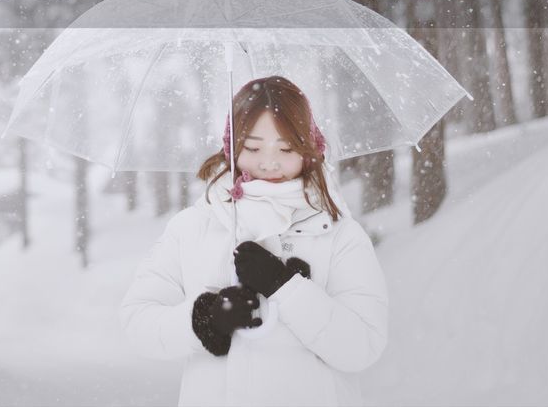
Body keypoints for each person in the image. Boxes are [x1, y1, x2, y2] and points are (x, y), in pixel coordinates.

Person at [120, 75, 389, 407]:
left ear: (308, 148)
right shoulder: (193, 227)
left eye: (286, 147)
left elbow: (363, 345)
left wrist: (285, 287)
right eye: (254, 147)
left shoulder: (339, 235)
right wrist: (206, 319)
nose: (270, 162)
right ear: (233, 148)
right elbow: (138, 323)